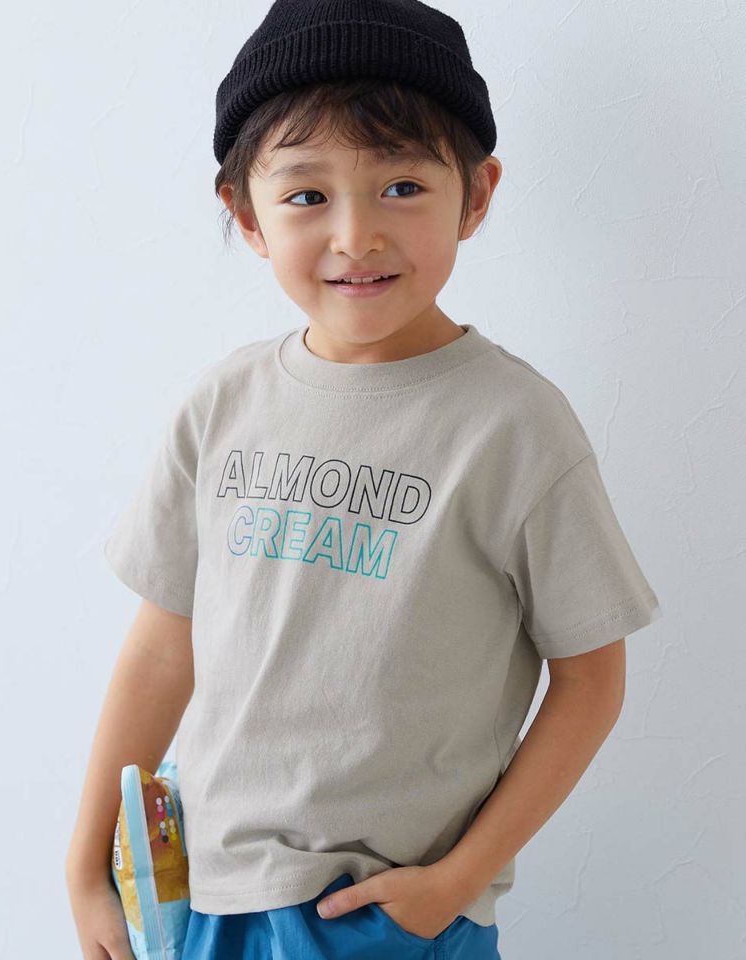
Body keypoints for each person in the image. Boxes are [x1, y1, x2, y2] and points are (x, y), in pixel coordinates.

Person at [65, 1, 663, 957]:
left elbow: (591, 678)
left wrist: (456, 883)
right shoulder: (221, 405)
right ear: (246, 213)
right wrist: (85, 864)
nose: (356, 235)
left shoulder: (514, 426)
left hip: (389, 913)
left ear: (476, 195)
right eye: (307, 195)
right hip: (205, 898)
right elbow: (162, 650)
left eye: (402, 186)